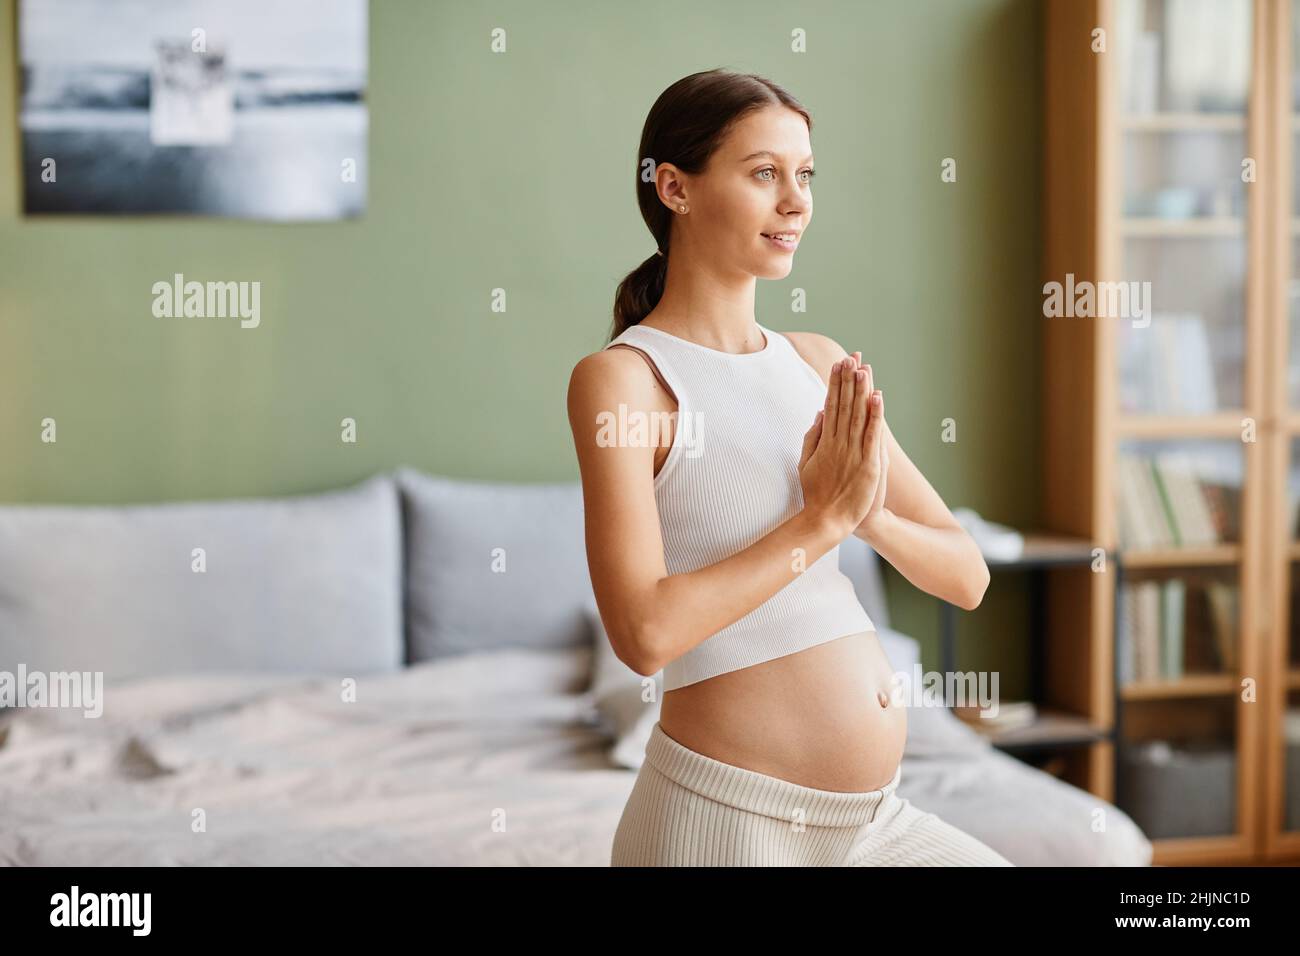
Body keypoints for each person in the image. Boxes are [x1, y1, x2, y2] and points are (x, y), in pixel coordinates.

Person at [567, 68, 1013, 867]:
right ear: (675, 187)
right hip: (724, 823)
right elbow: (643, 633)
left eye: (804, 175)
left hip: (875, 826)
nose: (796, 201)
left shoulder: (818, 362)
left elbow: (967, 577)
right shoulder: (627, 380)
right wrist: (821, 523)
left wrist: (863, 513)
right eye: (764, 173)